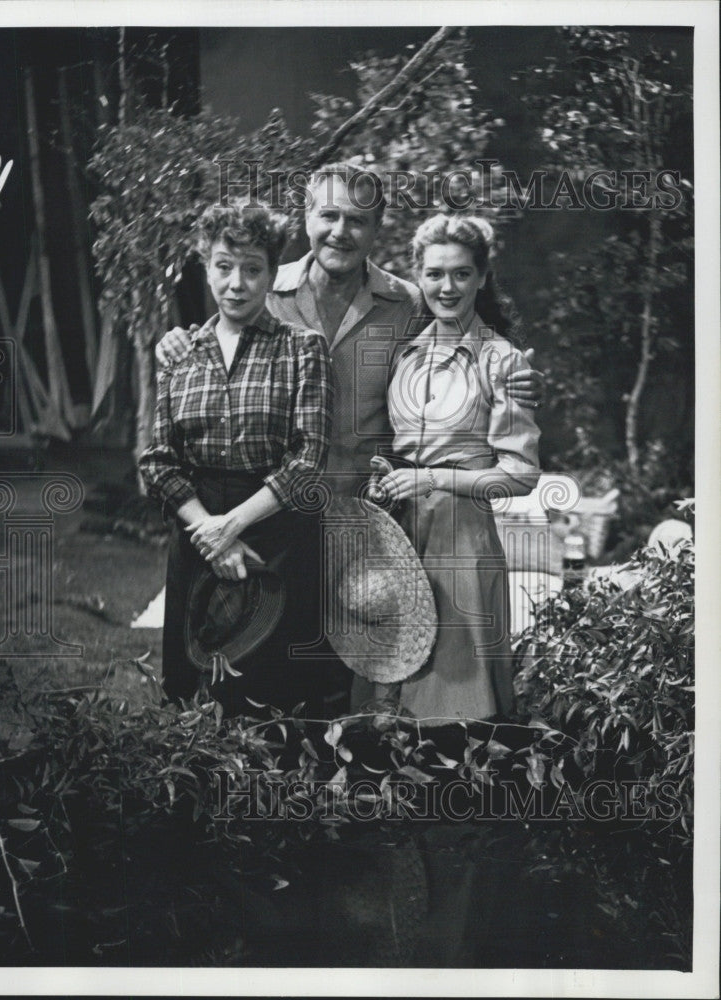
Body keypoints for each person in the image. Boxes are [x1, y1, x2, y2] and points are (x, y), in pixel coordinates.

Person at [156, 164, 544, 713]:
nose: (340, 230)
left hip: (365, 513)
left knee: (365, 662)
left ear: (377, 226)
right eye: (328, 215)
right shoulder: (267, 286)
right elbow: (215, 342)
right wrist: (173, 343)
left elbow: (454, 362)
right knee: (264, 656)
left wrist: (517, 376)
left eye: (357, 220)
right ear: (307, 217)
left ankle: (353, 774)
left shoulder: (407, 303)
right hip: (277, 508)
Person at [138, 202, 333, 715]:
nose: (237, 283)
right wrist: (209, 531)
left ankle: (267, 794)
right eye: (224, 266)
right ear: (207, 267)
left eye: (252, 268)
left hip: (273, 534)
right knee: (190, 692)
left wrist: (234, 526)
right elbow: (157, 461)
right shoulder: (181, 354)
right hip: (196, 532)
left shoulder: (302, 349)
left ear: (272, 273)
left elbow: (308, 457)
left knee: (267, 701)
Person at [369, 214, 541, 722]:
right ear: (419, 276)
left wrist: (434, 478)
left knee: (457, 701)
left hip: (462, 540)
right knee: (395, 688)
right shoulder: (408, 354)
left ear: (483, 277)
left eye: (462, 274)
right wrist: (390, 472)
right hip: (400, 534)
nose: (448, 287)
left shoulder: (502, 360)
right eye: (436, 273)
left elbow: (521, 474)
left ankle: (463, 796)